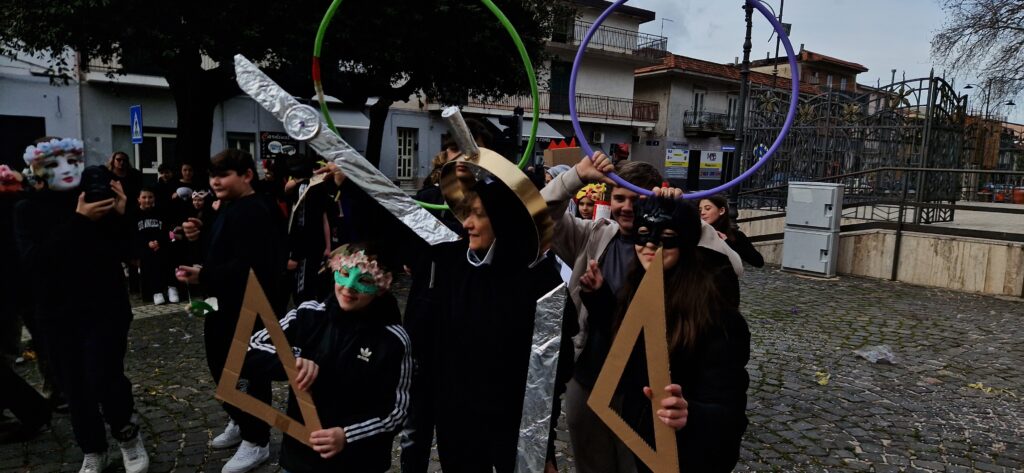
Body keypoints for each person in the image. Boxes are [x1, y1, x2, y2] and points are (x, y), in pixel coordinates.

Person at [327, 162, 561, 473]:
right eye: (467, 213)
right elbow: (393, 218)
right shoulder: (452, 260)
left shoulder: (538, 279)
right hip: (457, 420)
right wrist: (352, 179)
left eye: (479, 214)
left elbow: (552, 369)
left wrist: (544, 450)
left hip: (511, 423)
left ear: (503, 219)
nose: (468, 223)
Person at [540, 152, 742, 473]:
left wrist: (683, 217)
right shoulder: (592, 235)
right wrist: (577, 175)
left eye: (637, 199)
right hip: (591, 377)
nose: (627, 207)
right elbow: (536, 217)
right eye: (619, 197)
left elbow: (732, 265)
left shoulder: (673, 252)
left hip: (646, 387)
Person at [578, 195, 749, 472]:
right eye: (643, 234)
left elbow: (729, 408)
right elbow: (630, 345)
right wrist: (601, 298)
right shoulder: (636, 287)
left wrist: (691, 413)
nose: (650, 245)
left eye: (666, 236)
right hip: (646, 436)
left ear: (685, 240)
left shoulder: (715, 315)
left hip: (693, 453)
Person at [13, 137, 149, 473]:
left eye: (72, 161)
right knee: (73, 384)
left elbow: (127, 252)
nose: (67, 170)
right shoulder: (27, 209)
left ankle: (128, 438)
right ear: (38, 170)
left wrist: (120, 214)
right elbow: (35, 262)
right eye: (56, 163)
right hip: (57, 313)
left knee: (106, 376)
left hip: (104, 306)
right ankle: (92, 448)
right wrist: (79, 221)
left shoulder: (94, 197)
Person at [243, 243, 411, 473]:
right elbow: (249, 347)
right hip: (299, 458)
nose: (349, 287)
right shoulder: (307, 314)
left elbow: (396, 410)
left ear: (382, 287)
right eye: (344, 274)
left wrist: (347, 435)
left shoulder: (392, 340)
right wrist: (292, 361)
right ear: (335, 270)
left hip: (358, 462)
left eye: (364, 280)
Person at [175, 149, 287, 473]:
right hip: (220, 303)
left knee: (248, 372)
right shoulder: (230, 206)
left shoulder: (255, 210)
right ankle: (241, 421)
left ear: (247, 175)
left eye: (223, 175)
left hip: (248, 307)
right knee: (220, 367)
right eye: (212, 176)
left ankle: (257, 441)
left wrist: (205, 275)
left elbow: (254, 266)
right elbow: (220, 250)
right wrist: (197, 234)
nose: (215, 181)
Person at [134, 188, 178, 305]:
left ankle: (171, 287)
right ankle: (156, 291)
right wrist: (147, 244)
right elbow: (134, 235)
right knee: (150, 259)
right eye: (144, 197)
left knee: (168, 253)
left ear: (154, 198)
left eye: (150, 197)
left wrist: (160, 242)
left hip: (161, 244)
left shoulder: (160, 212)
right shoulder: (135, 215)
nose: (147, 200)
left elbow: (166, 231)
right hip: (145, 248)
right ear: (139, 199)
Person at [698, 195, 764, 268]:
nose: (702, 213)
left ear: (721, 210)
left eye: (707, 209)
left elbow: (758, 262)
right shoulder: (696, 233)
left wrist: (727, 242)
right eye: (700, 210)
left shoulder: (735, 235)